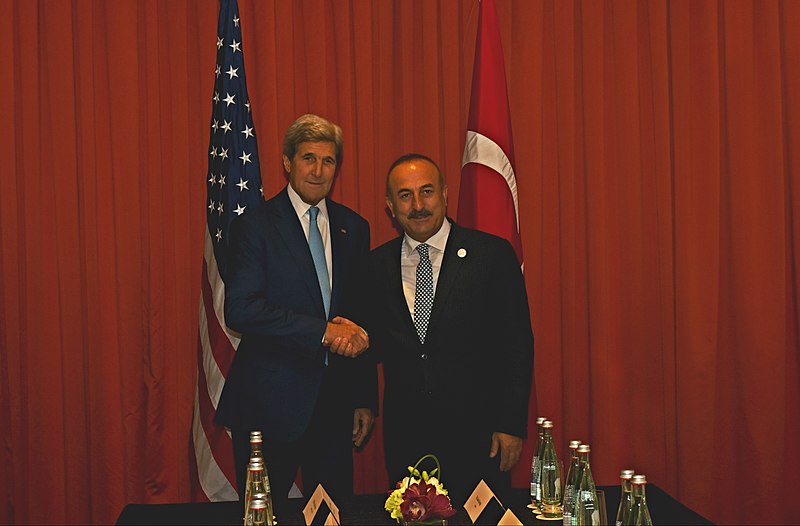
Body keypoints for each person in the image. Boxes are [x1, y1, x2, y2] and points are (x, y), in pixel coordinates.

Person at [215, 114, 377, 515]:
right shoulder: (255, 227)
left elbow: (357, 318)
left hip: (334, 405)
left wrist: (363, 397)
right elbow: (241, 308)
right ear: (287, 162)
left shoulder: (353, 228)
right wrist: (321, 332)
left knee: (333, 515)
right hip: (269, 405)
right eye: (309, 158)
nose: (319, 171)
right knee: (264, 516)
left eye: (328, 160)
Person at [365, 153, 534, 506]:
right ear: (390, 206)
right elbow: (368, 345)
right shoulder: (375, 266)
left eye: (426, 192)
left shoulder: (491, 255)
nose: (418, 205)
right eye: (405, 195)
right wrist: (361, 403)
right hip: (407, 437)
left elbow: (517, 345)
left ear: (444, 193)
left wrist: (511, 423)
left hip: (481, 436)